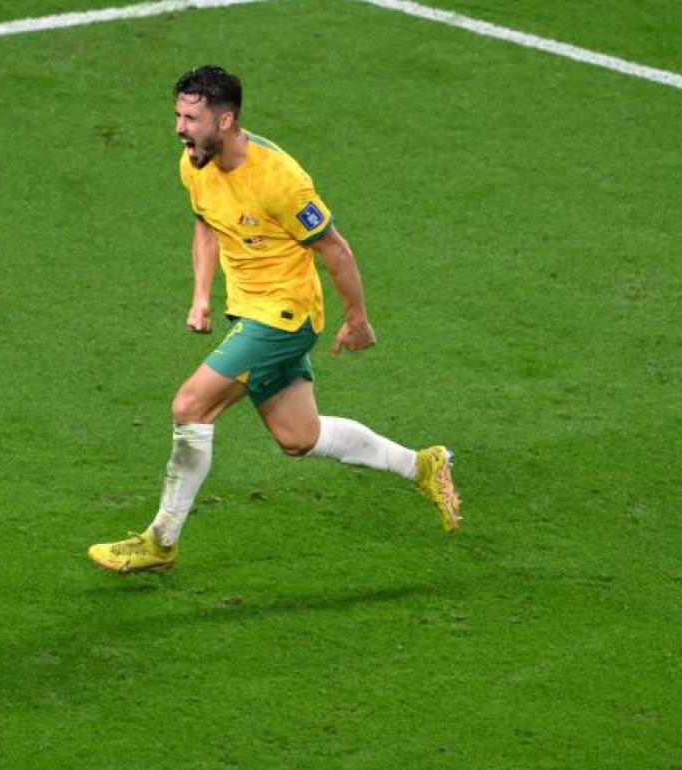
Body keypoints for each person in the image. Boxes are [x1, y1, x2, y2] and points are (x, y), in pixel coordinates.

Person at [89, 65, 460, 574]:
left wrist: (358, 318)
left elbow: (335, 248)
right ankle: (421, 464)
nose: (179, 127)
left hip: (286, 315)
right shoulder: (194, 163)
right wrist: (201, 296)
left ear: (225, 120)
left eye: (190, 118)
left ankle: (161, 540)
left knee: (190, 406)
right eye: (177, 114)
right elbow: (207, 227)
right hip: (251, 310)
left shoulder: (281, 179)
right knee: (298, 438)